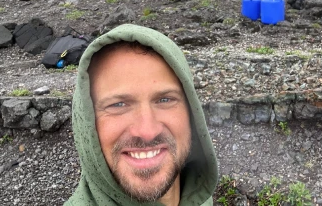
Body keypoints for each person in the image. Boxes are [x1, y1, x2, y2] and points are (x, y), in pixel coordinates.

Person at [64, 23, 219, 206]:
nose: (147, 131)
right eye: (118, 105)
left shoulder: (198, 197)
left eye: (165, 100)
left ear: (192, 112)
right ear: (86, 124)